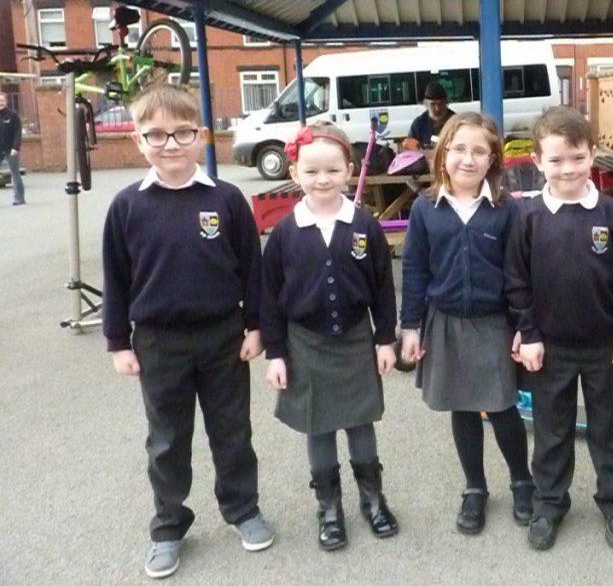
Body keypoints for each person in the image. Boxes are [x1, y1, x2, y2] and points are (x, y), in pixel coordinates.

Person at [102, 85, 272, 579]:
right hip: (158, 342)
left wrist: (256, 325)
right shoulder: (127, 206)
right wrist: (117, 341)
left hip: (224, 337)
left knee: (232, 431)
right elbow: (116, 277)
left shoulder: (226, 199)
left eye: (181, 133)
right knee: (167, 439)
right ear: (138, 140)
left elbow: (252, 269)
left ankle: (242, 509)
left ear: (201, 136)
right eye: (156, 134)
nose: (170, 144)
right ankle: (169, 526)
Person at [262, 121, 399, 552]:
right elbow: (269, 298)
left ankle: (373, 500)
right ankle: (329, 508)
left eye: (333, 170)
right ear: (294, 173)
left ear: (349, 171)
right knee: (317, 427)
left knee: (361, 423)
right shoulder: (284, 234)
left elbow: (382, 287)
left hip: (356, 340)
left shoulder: (365, 225)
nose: (322, 179)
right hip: (306, 344)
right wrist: (275, 353)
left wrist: (385, 339)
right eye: (311, 171)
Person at [505, 105, 613, 552]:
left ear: (593, 155)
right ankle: (549, 503)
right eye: (556, 160)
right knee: (552, 430)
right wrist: (529, 334)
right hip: (549, 348)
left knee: (610, 428)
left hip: (604, 346)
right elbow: (516, 281)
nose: (568, 169)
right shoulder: (528, 216)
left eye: (578, 158)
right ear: (537, 161)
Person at [400, 112, 533, 535]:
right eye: (459, 149)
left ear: (492, 160)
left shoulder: (506, 210)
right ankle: (475, 487)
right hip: (446, 323)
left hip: (494, 324)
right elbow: (415, 270)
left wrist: (524, 327)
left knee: (503, 407)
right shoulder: (425, 209)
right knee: (462, 408)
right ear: (443, 154)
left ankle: (522, 481)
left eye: (479, 151)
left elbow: (519, 274)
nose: (468, 159)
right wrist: (410, 327)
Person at [407, 80, 455, 149]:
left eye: (440, 104)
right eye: (433, 104)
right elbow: (410, 148)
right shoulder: (418, 124)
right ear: (426, 104)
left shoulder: (456, 121)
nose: (437, 108)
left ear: (446, 103)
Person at [0, 91, 25, 205]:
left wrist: (16, 147)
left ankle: (19, 198)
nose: (0, 103)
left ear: (6, 101)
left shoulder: (13, 115)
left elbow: (17, 132)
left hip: (11, 149)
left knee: (15, 173)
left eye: (2, 100)